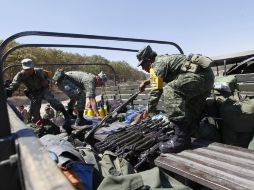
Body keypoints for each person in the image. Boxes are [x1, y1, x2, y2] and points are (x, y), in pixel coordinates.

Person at [137, 45, 214, 153]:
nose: (142, 68)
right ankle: (188, 135)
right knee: (189, 109)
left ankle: (181, 140)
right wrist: (146, 82)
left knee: (170, 89)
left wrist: (148, 109)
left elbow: (156, 90)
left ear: (148, 60)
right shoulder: (162, 61)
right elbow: (158, 78)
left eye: (142, 64)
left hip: (199, 77)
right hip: (206, 78)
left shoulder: (157, 64)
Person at [5, 58, 71, 128]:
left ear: (33, 67)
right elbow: (14, 84)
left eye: (30, 68)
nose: (29, 71)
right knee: (34, 110)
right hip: (33, 93)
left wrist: (47, 82)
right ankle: (38, 125)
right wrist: (8, 92)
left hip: (43, 89)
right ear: (23, 68)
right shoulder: (20, 75)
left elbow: (48, 77)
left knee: (50, 98)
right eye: (26, 69)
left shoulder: (39, 71)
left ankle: (64, 113)